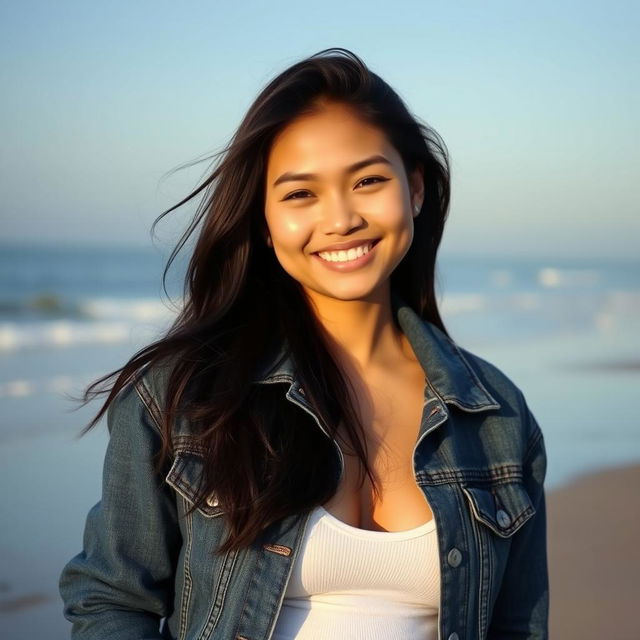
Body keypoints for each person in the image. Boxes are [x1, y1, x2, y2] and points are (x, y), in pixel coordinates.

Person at [59, 47, 549, 639]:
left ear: (414, 189)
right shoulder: (186, 397)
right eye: (300, 194)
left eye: (368, 180)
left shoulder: (495, 414)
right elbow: (114, 600)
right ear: (264, 222)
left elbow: (517, 626)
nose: (341, 219)